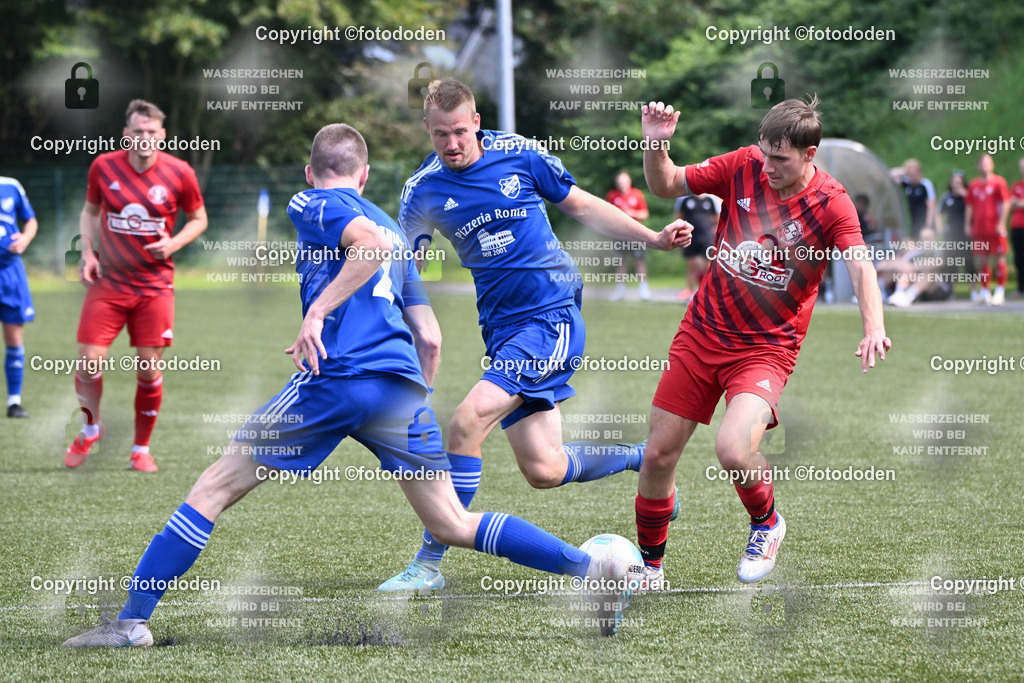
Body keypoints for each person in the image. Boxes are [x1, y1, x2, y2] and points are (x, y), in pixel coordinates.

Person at [62, 124, 630, 648]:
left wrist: (317, 315)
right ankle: (588, 572)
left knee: (212, 488)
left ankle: (131, 623)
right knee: (451, 523)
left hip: (333, 379)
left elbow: (368, 248)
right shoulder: (391, 222)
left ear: (312, 172)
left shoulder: (314, 201)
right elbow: (428, 337)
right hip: (400, 390)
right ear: (364, 175)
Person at [383, 77, 691, 593]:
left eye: (460, 131)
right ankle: (645, 457)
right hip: (501, 331)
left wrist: (654, 238)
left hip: (551, 317)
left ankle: (429, 563)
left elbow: (584, 206)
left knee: (465, 423)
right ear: (427, 130)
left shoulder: (521, 155)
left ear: (477, 121)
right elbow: (407, 269)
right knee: (544, 468)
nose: (452, 143)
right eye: (440, 134)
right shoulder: (422, 191)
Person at [637, 96, 891, 589]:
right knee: (657, 456)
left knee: (733, 451)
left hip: (765, 350)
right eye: (765, 154)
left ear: (810, 153)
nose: (768, 167)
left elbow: (860, 264)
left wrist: (874, 325)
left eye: (782, 159)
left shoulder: (832, 202)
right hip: (702, 332)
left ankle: (767, 524)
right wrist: (655, 144)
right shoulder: (742, 165)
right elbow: (665, 183)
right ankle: (649, 568)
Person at [65, 99, 208, 471]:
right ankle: (91, 428)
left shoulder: (180, 172)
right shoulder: (104, 166)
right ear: (126, 134)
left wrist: (174, 244)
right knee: (88, 360)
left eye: (151, 132)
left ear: (161, 135)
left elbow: (198, 218)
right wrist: (88, 253)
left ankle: (141, 449)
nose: (144, 138)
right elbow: (90, 211)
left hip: (154, 286)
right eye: (137, 132)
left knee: (147, 368)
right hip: (108, 282)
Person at [0, 176, 37, 418]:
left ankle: (14, 402)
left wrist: (25, 238)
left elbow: (30, 220)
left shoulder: (11, 185)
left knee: (14, 338)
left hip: (10, 271)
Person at [965, 153, 1010, 305]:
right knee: (982, 260)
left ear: (992, 165)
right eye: (982, 163)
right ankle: (985, 291)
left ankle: (1000, 290)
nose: (985, 166)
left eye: (988, 163)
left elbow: (1005, 203)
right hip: (979, 228)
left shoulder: (999, 182)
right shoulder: (974, 185)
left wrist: (1002, 222)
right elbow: (970, 206)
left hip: (994, 228)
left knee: (999, 258)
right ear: (978, 166)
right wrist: (968, 223)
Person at [605, 171, 652, 300]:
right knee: (620, 261)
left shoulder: (637, 194)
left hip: (635, 233)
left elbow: (645, 214)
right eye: (620, 182)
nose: (622, 184)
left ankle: (643, 288)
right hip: (619, 233)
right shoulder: (612, 195)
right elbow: (605, 213)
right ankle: (620, 289)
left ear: (629, 182)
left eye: (624, 182)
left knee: (639, 260)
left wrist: (632, 213)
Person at [673, 193, 720, 302]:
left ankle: (708, 292)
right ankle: (690, 293)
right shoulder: (684, 198)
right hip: (690, 237)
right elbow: (678, 216)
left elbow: (717, 217)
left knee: (707, 266)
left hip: (707, 237)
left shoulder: (711, 198)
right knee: (691, 265)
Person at [937, 170, 974, 294]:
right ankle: (949, 291)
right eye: (955, 181)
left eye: (959, 182)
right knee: (950, 263)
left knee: (968, 262)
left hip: (964, 234)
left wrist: (965, 195)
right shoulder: (946, 197)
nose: (957, 184)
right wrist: (940, 227)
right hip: (950, 234)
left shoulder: (968, 196)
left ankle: (974, 290)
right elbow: (938, 213)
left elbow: (975, 209)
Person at [892, 159, 936, 239]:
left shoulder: (925, 184)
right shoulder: (908, 185)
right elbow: (892, 175)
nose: (912, 176)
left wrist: (928, 226)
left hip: (925, 223)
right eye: (910, 174)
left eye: (914, 173)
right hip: (914, 224)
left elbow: (931, 206)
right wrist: (904, 172)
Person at [1009, 158, 1024, 298]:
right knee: (1019, 259)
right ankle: (1020, 288)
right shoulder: (1017, 186)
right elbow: (1010, 204)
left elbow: (1015, 203)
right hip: (1017, 227)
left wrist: (1017, 202)